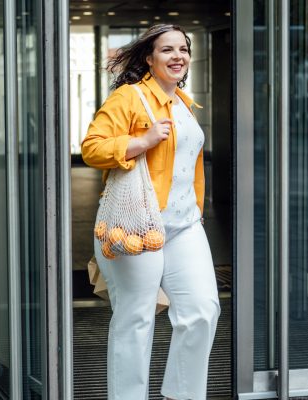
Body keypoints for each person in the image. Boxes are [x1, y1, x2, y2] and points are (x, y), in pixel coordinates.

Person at [81, 24, 220, 400]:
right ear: (148, 58)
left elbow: (189, 166)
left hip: (185, 225)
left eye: (184, 49)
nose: (178, 56)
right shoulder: (130, 97)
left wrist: (197, 211)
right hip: (139, 225)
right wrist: (140, 142)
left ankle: (182, 395)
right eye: (167, 50)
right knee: (136, 319)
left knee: (202, 311)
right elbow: (92, 147)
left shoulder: (184, 104)